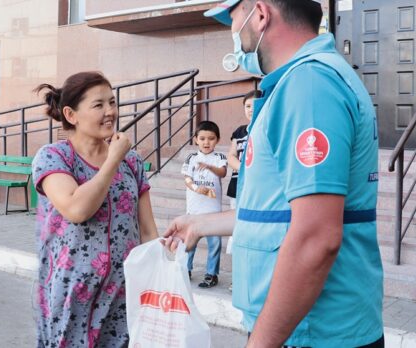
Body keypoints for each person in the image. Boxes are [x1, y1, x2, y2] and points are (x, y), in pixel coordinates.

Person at [164, 0, 383, 347]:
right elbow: (278, 213)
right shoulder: (303, 82)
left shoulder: (308, 86)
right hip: (306, 328)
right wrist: (200, 224)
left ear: (261, 15)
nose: (234, 34)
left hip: (311, 332)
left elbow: (316, 236)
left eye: (233, 21)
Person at [31, 71, 158, 347]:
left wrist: (161, 269)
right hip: (72, 294)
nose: (110, 111)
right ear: (71, 114)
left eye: (112, 102)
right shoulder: (54, 157)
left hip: (125, 293)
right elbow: (77, 209)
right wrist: (112, 160)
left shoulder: (132, 162)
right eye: (99, 105)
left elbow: (148, 231)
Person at [182, 121, 227, 289]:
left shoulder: (219, 158)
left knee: (214, 244)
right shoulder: (191, 158)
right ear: (196, 140)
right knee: (189, 242)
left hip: (213, 211)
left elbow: (222, 172)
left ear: (217, 140)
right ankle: (186, 269)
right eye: (202, 138)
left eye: (211, 138)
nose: (206, 142)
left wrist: (209, 166)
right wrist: (195, 188)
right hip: (194, 210)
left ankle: (211, 274)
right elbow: (187, 178)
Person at [225, 89, 260, 292]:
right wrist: (244, 168)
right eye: (248, 106)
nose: (251, 110)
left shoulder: (267, 129)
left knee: (253, 233)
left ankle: (253, 279)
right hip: (238, 187)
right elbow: (231, 156)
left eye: (255, 106)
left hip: (258, 189)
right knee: (237, 233)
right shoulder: (239, 132)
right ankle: (237, 278)